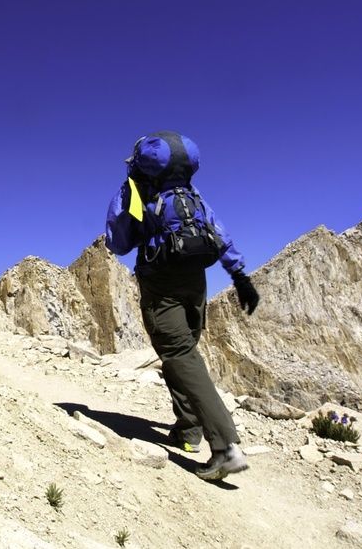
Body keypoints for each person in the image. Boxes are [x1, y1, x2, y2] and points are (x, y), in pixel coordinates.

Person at [104, 130, 259, 480]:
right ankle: (188, 431)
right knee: (183, 351)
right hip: (196, 281)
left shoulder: (134, 191)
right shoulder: (190, 194)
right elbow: (218, 232)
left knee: (180, 355)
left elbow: (118, 243)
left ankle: (225, 447)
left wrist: (135, 207)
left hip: (161, 282)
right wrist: (241, 278)